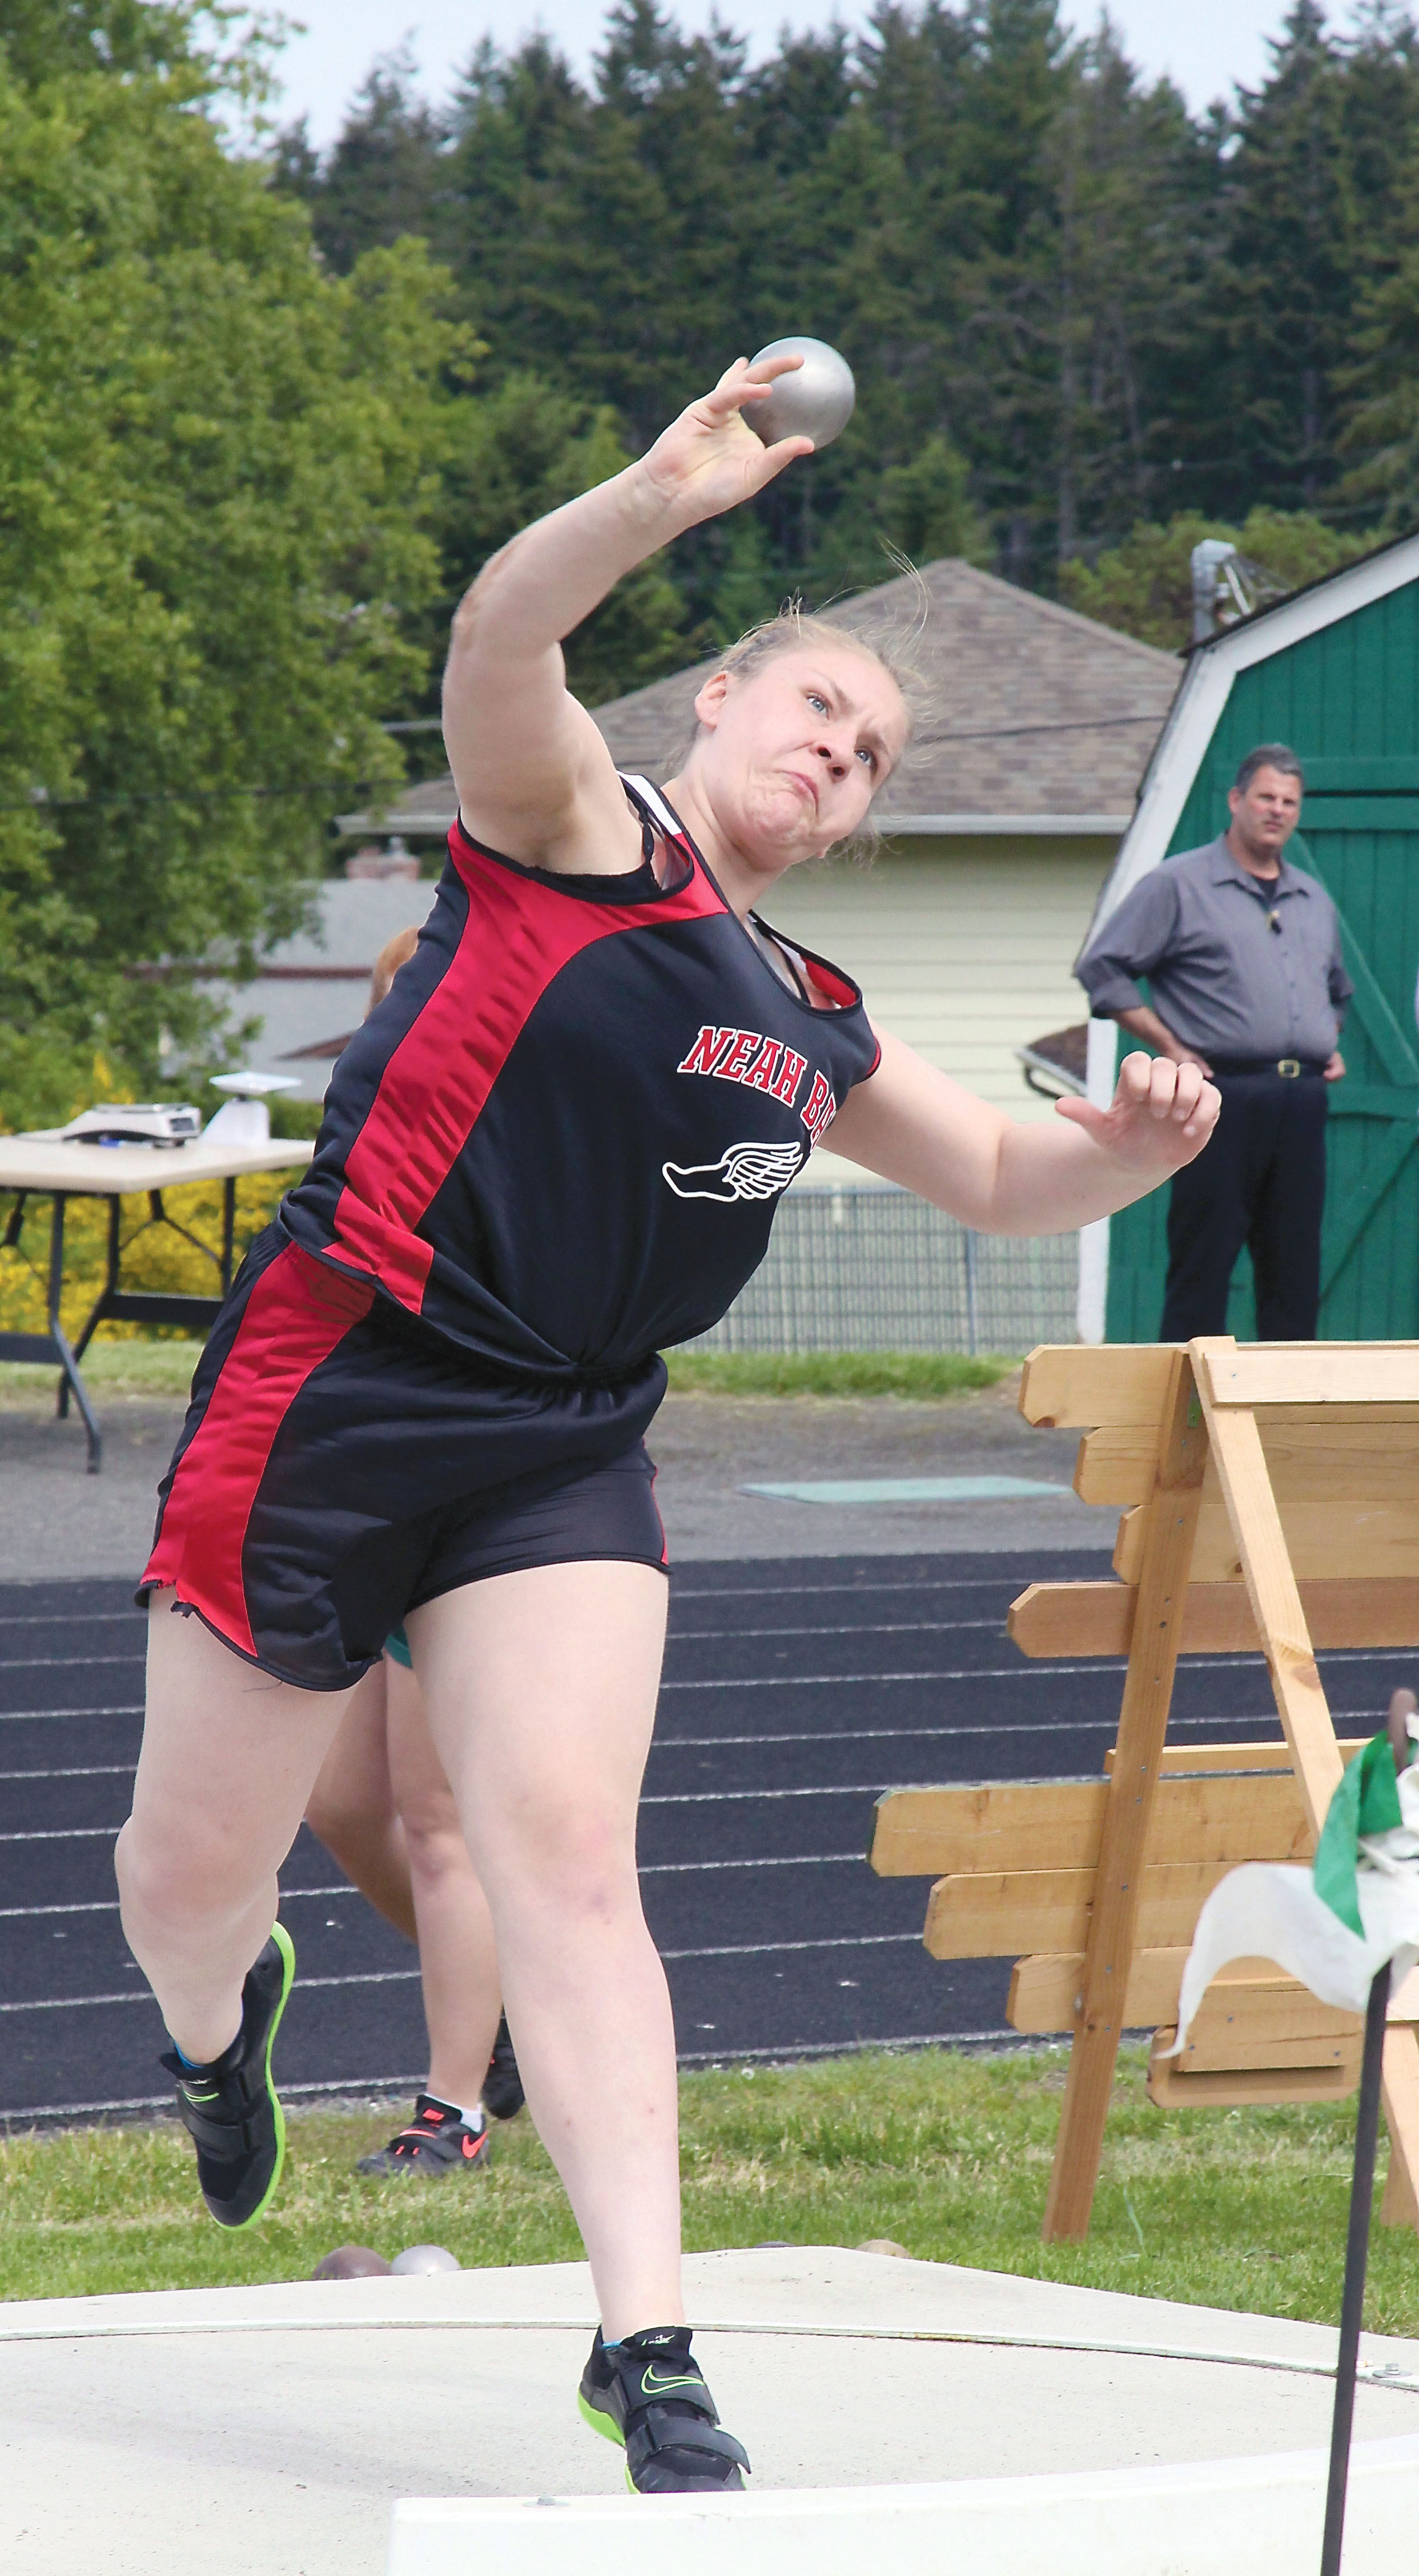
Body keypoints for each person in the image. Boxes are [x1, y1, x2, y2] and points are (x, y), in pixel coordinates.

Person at [114, 351, 1219, 2495]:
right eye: (817, 708)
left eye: (873, 754)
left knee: (567, 1867)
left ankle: (649, 2340)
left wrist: (1138, 1153)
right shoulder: (564, 830)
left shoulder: (800, 1004)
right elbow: (497, 638)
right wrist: (660, 492)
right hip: (343, 1385)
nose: (839, 753)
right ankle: (206, 2022)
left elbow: (1001, 1176)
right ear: (716, 699)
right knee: (180, 1873)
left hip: (560, 1445)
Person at [302, 928, 524, 2174]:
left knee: (441, 1820)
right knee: (340, 1806)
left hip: (473, 1504)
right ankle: (493, 2011)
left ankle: (452, 2109)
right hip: (363, 1495)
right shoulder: (364, 1145)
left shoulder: (523, 1155)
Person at [1078, 744, 1350, 1341]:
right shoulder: (1180, 884)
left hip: (1301, 1104)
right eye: (1265, 798)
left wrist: (1324, 1039)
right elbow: (1103, 969)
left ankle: (1283, 1424)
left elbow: (1338, 989)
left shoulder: (1312, 898)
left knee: (1294, 1267)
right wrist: (1169, 1046)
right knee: (1204, 1264)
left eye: (1288, 802)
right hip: (1217, 1098)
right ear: (1236, 800)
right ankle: (1190, 1421)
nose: (1276, 811)